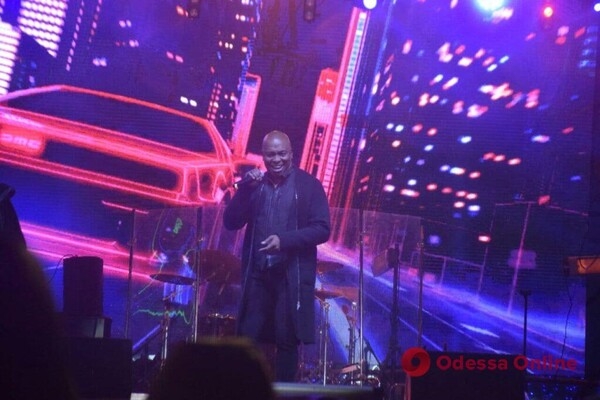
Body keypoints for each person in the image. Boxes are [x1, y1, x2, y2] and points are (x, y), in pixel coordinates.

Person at [223, 130, 331, 382]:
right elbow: (231, 222)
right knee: (246, 338)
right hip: (258, 274)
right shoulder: (256, 186)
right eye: (271, 155)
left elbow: (322, 228)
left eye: (282, 153)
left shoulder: (309, 186)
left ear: (291, 154)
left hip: (289, 276)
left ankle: (283, 394)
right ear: (263, 157)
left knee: (286, 340)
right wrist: (244, 191)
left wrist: (284, 241)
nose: (277, 159)